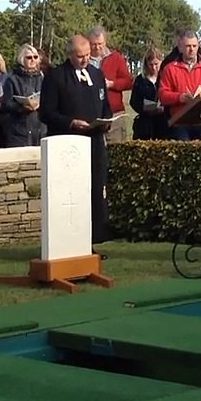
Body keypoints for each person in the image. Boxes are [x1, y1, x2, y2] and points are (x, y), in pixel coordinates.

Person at [40, 35, 113, 246]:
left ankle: (96, 237)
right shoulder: (55, 77)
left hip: (94, 141)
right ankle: (69, 240)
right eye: (80, 56)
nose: (85, 60)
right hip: (68, 144)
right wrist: (71, 122)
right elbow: (46, 112)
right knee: (72, 193)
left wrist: (106, 120)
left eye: (88, 55)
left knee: (96, 187)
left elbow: (104, 104)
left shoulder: (97, 74)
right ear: (70, 55)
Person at [1, 44, 45, 147]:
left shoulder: (43, 78)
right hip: (19, 130)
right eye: (29, 57)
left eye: (35, 57)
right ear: (22, 60)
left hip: (40, 129)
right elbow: (6, 103)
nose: (33, 60)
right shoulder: (12, 79)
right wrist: (21, 107)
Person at [129, 47, 170, 140]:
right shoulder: (140, 80)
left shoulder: (166, 78)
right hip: (145, 125)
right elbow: (134, 101)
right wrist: (145, 108)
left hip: (163, 123)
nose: (154, 67)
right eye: (151, 64)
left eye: (156, 64)